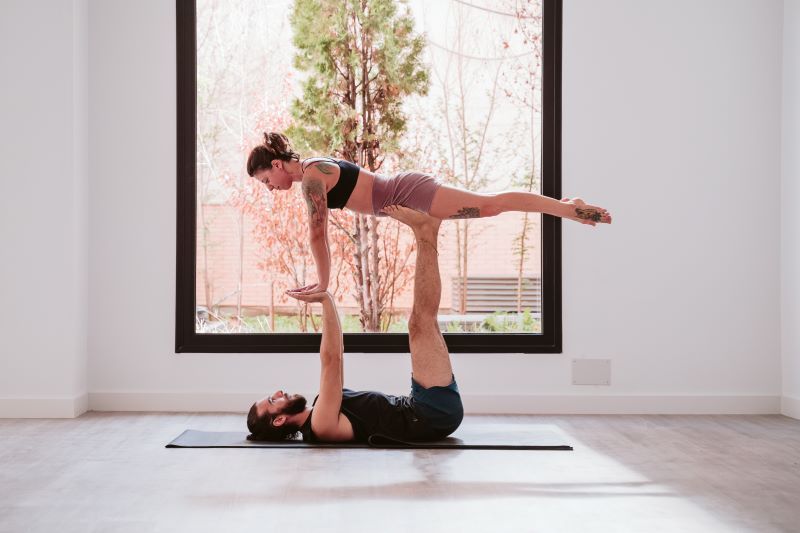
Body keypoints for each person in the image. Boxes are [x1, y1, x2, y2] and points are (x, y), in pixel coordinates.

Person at [246, 132, 612, 296]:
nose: (270, 188)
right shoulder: (312, 169)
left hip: (408, 192)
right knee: (491, 207)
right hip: (406, 196)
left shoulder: (312, 177)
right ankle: (565, 206)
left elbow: (316, 234)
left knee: (491, 205)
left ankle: (567, 207)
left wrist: (324, 283)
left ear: (277, 164)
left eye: (266, 180)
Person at [246, 205, 463, 443]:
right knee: (421, 324)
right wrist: (326, 301)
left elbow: (335, 357)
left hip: (421, 406)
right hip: (430, 414)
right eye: (272, 400)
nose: (278, 393)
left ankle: (426, 229)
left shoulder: (321, 411)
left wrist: (327, 301)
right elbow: (332, 361)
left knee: (421, 324)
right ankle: (426, 230)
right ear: (278, 420)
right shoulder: (321, 426)